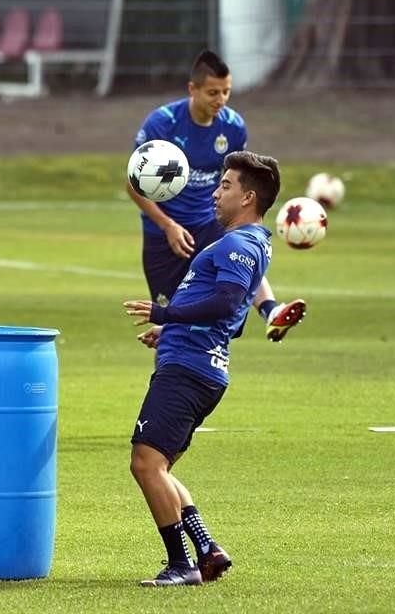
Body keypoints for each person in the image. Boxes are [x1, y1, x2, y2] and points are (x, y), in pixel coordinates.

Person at [123, 150, 281, 587]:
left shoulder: (238, 244)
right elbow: (231, 318)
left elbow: (228, 303)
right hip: (195, 362)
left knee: (145, 464)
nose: (216, 192)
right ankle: (208, 549)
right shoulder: (248, 243)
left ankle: (181, 566)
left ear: (248, 197)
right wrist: (169, 332)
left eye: (226, 185)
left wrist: (165, 317)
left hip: (189, 370)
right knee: (158, 467)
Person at [125, 49, 305, 343]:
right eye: (212, 92)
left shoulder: (233, 126)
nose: (220, 99)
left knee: (239, 256)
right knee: (172, 322)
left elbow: (235, 178)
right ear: (192, 89)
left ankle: (271, 311)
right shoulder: (163, 124)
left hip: (210, 221)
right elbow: (133, 184)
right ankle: (167, 381)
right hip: (164, 235)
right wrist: (167, 225)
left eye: (226, 91)